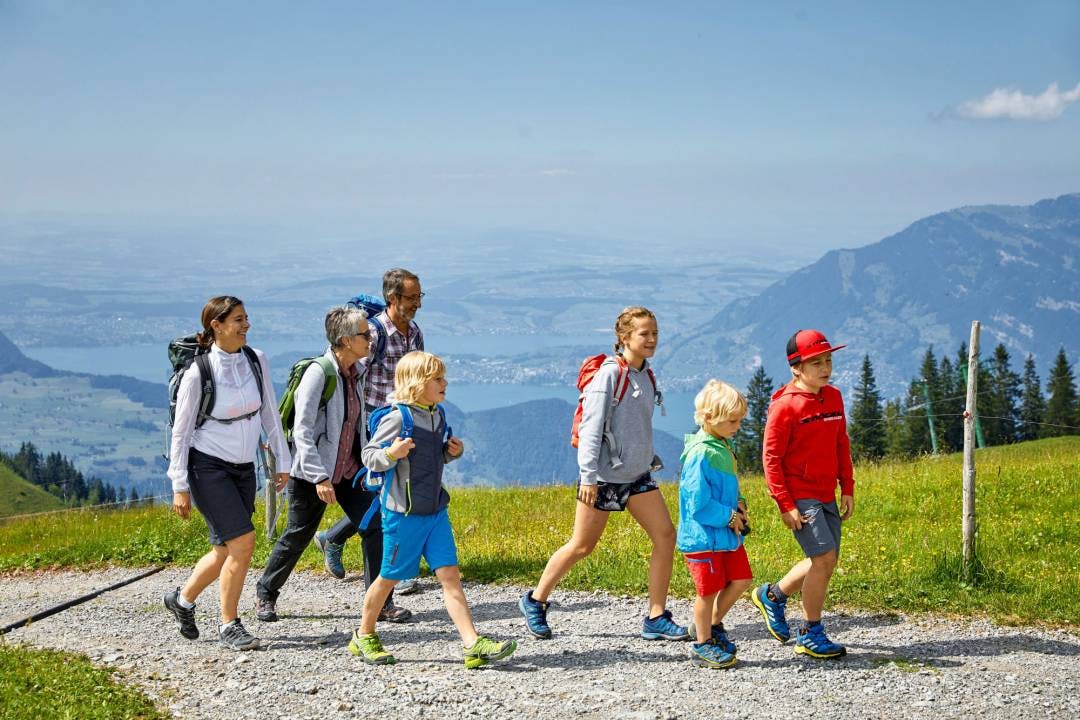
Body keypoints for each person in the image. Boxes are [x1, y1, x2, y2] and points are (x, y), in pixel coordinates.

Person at [519, 306, 688, 641]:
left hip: (637, 475)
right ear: (624, 337)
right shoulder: (610, 375)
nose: (652, 339)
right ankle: (535, 600)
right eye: (644, 334)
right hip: (603, 478)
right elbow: (590, 428)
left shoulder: (645, 373)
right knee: (582, 545)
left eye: (655, 333)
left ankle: (656, 616)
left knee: (666, 536)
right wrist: (588, 478)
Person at [347, 351, 517, 669]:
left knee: (450, 576)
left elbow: (431, 459)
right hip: (404, 516)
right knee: (387, 578)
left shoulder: (437, 415)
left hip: (435, 511)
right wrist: (392, 453)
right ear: (416, 383)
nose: (445, 383)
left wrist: (452, 453)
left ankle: (472, 643)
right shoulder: (398, 417)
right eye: (437, 378)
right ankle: (363, 635)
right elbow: (370, 455)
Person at [253, 306, 411, 624]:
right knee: (298, 533)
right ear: (345, 340)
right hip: (315, 473)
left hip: (349, 471)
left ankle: (379, 603)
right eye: (365, 334)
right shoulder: (319, 373)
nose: (371, 339)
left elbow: (356, 424)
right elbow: (303, 431)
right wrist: (319, 476)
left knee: (375, 525)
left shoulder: (356, 373)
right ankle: (266, 593)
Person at [163, 295, 291, 651]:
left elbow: (269, 414)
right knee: (243, 543)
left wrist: (283, 461)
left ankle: (182, 600)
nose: (246, 324)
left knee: (224, 549)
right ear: (216, 326)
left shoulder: (256, 359)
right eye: (238, 319)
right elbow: (182, 432)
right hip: (207, 468)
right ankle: (229, 624)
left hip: (243, 467)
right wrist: (180, 485)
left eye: (246, 317)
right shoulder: (198, 373)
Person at [315, 268, 425, 601]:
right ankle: (395, 572)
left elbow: (414, 372)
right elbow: (353, 371)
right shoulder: (375, 333)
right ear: (393, 298)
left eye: (420, 296)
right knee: (388, 497)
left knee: (399, 495)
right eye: (412, 297)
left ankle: (334, 536)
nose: (418, 303)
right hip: (373, 426)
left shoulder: (414, 332)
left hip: (402, 421)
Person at [751, 329, 854, 659]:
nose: (825, 367)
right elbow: (771, 458)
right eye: (816, 362)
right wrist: (784, 503)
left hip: (826, 492)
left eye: (828, 360)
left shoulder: (834, 397)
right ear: (796, 367)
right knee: (823, 559)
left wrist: (847, 487)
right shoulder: (785, 406)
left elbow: (841, 443)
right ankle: (811, 632)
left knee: (824, 559)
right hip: (800, 495)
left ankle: (773, 596)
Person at [677, 380, 753, 669]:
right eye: (732, 420)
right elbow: (698, 505)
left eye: (740, 420)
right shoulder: (700, 453)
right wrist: (730, 517)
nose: (737, 426)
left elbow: (727, 486)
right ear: (708, 418)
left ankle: (711, 625)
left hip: (724, 534)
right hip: (702, 537)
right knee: (706, 593)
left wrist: (740, 503)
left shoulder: (722, 444)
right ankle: (702, 644)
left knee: (742, 578)